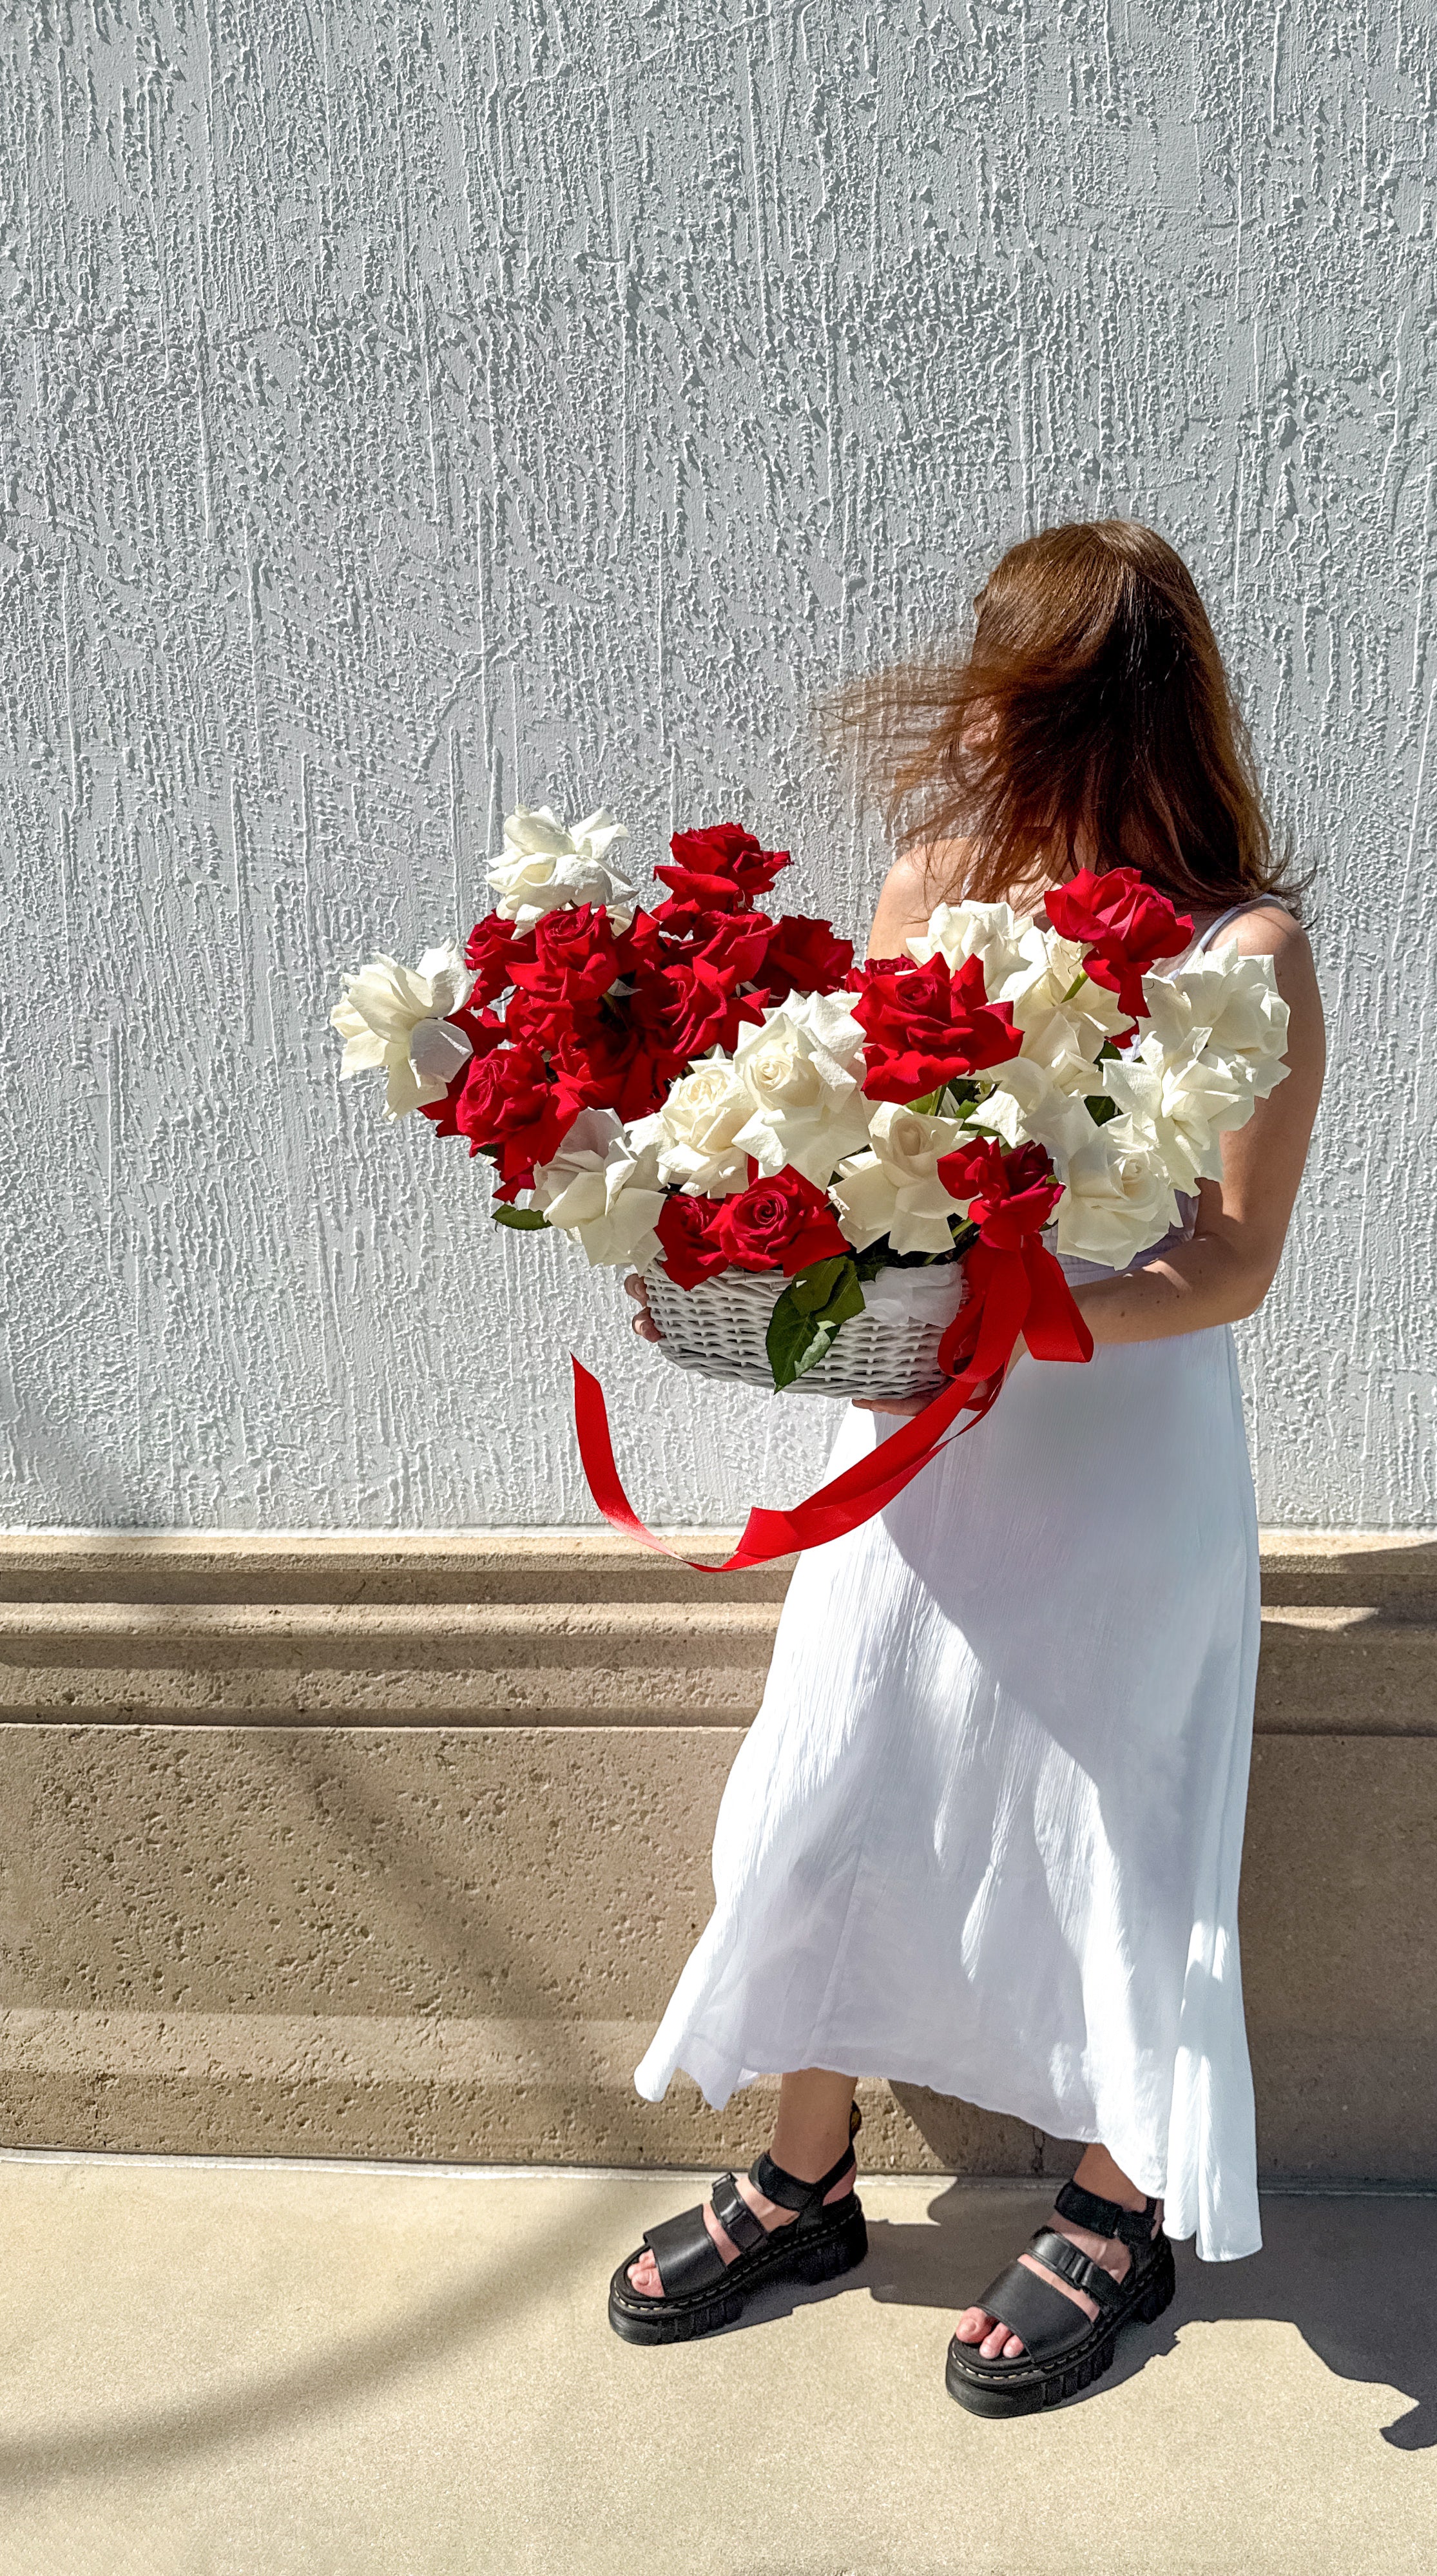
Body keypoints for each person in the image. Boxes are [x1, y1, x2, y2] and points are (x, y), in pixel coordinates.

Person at [607, 518, 1326, 2416]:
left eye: (1045, 702)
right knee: (833, 1779)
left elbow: (1235, 1256)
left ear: (1130, 711)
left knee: (1117, 1824)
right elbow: (872, 1149)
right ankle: (807, 2165)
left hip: (1119, 1457)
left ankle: (1119, 2194)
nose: (1004, 737)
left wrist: (1039, 1321)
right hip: (921, 1435)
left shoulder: (1242, 946)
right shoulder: (934, 878)